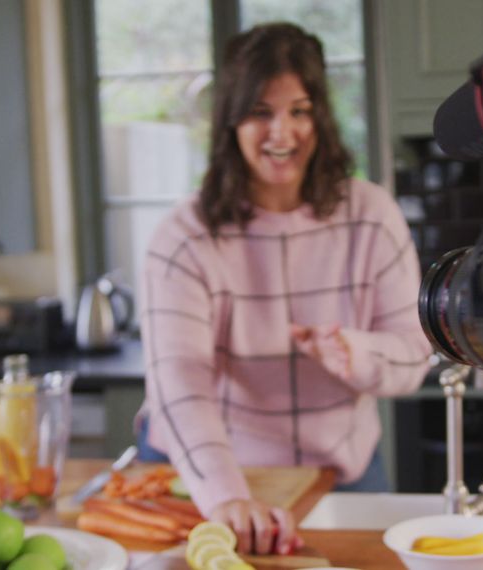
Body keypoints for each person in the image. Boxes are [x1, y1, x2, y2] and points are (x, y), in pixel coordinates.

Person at [137, 22, 432, 556]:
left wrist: (354, 351)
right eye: (261, 113)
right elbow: (179, 387)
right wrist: (225, 496)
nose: (283, 133)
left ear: (321, 116)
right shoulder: (184, 238)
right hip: (213, 472)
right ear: (231, 122)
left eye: (299, 110)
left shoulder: (371, 216)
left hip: (338, 470)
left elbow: (414, 355)